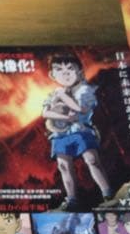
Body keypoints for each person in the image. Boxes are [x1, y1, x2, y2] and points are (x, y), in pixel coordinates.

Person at [42, 53, 114, 212]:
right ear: (52, 75)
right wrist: (65, 117)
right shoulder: (54, 94)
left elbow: (81, 109)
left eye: (70, 68)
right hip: (60, 134)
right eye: (59, 70)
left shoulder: (85, 90)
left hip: (81, 130)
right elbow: (45, 113)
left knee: (91, 159)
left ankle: (108, 194)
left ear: (80, 71)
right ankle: (72, 200)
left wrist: (63, 97)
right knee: (63, 165)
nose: (65, 73)